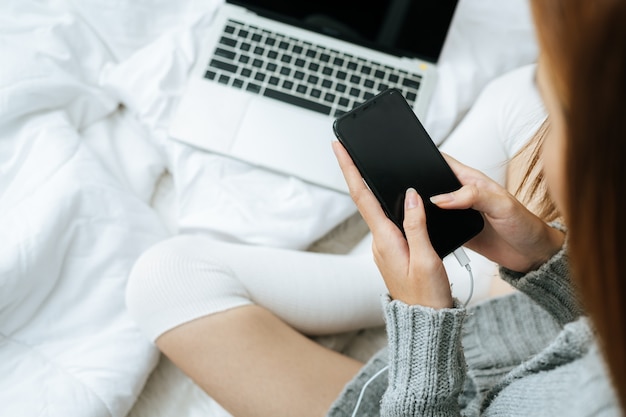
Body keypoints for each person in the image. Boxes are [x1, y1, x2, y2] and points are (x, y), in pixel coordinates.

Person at [126, 0, 625, 415]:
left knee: (165, 279)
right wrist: (545, 259)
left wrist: (423, 323)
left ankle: (406, 283)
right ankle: (402, 274)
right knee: (521, 89)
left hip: (423, 395)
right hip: (523, 338)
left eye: (562, 118)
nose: (547, 138)